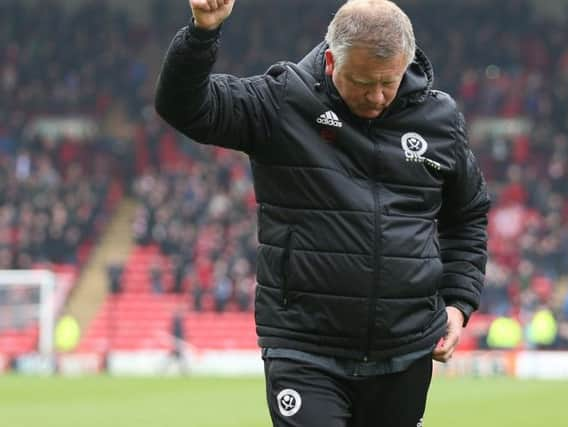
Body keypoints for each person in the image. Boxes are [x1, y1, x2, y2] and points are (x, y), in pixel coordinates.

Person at [155, 1, 490, 426]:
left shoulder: (439, 120)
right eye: (362, 82)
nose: (377, 96)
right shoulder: (282, 101)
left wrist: (458, 303)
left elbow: (468, 214)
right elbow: (184, 106)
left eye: (388, 82)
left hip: (404, 350)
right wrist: (203, 32)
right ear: (332, 61)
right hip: (305, 349)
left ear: (406, 64)